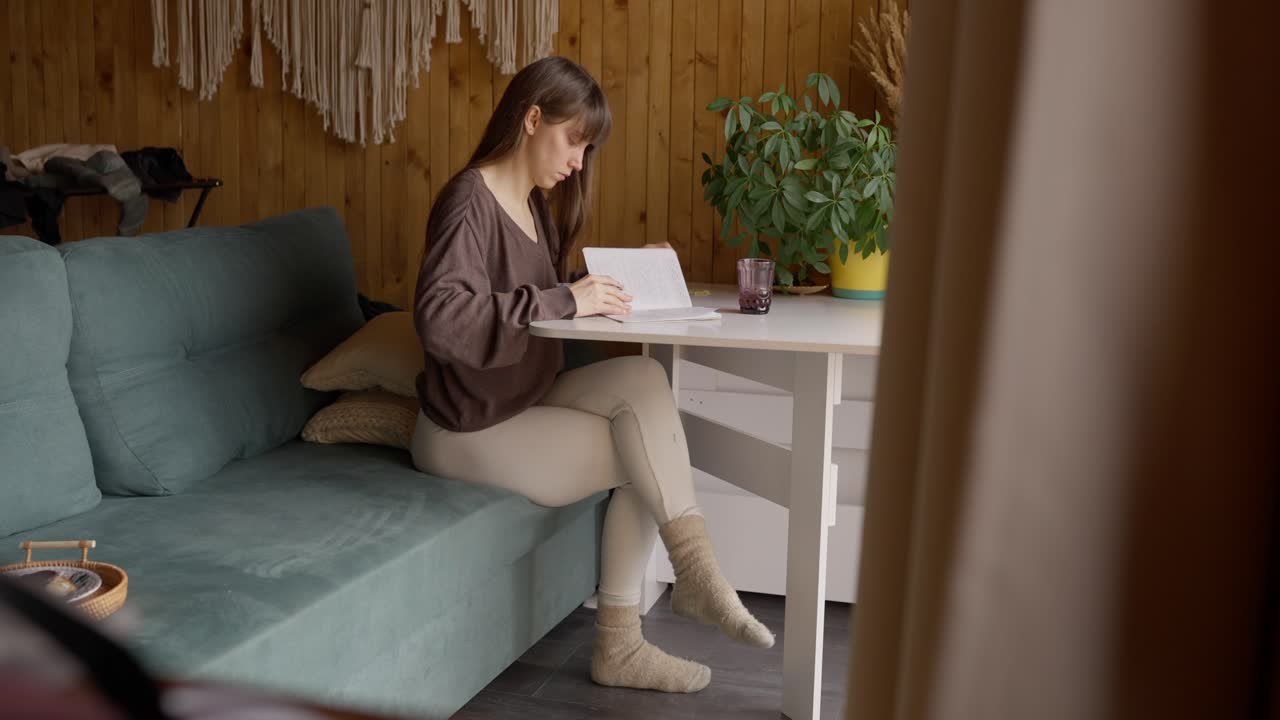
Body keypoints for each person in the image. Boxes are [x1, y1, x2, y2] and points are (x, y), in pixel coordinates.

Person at [410, 56, 773, 694]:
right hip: (470, 425)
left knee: (644, 384)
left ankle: (690, 574)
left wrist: (628, 272)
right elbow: (440, 320)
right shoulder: (469, 200)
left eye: (586, 148)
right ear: (531, 119)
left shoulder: (532, 206)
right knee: (642, 452)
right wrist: (565, 298)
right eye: (575, 141)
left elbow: (537, 291)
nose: (579, 161)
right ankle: (628, 638)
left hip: (520, 396)